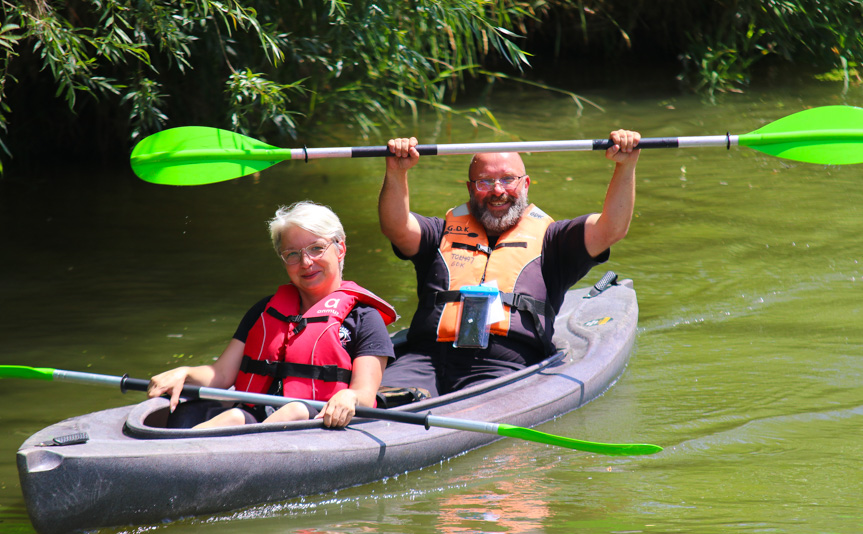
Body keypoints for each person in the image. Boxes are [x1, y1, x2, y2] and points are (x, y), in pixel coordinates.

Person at [378, 130, 641, 396]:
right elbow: (396, 226)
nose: (498, 191)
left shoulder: (554, 241)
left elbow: (611, 229)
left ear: (526, 184)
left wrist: (625, 165)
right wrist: (396, 171)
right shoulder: (440, 232)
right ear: (470, 188)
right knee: (379, 401)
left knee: (475, 407)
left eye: (508, 179)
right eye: (485, 181)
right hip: (424, 359)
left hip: (503, 365)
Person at [147, 201, 397, 429]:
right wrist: (185, 373)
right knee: (235, 416)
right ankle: (178, 450)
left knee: (295, 410)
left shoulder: (365, 318)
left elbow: (364, 393)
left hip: (316, 422)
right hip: (257, 417)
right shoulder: (264, 310)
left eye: (316, 249)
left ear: (340, 248)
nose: (306, 262)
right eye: (292, 254)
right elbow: (221, 375)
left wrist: (350, 396)